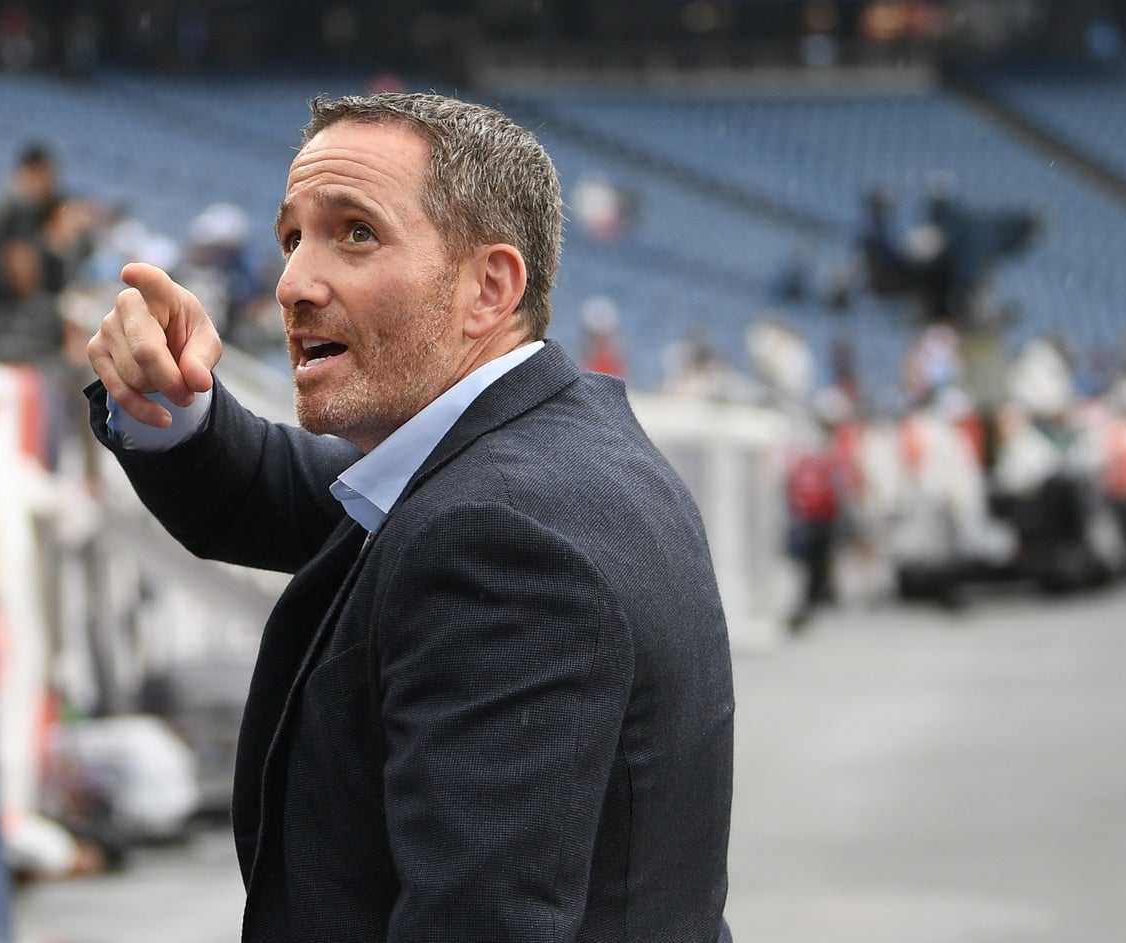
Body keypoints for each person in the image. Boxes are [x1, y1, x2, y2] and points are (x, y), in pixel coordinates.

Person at [85, 92, 734, 942]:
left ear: (488, 287)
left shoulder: (497, 538)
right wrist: (168, 401)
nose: (291, 284)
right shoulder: (550, 447)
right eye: (291, 238)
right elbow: (289, 492)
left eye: (354, 232)